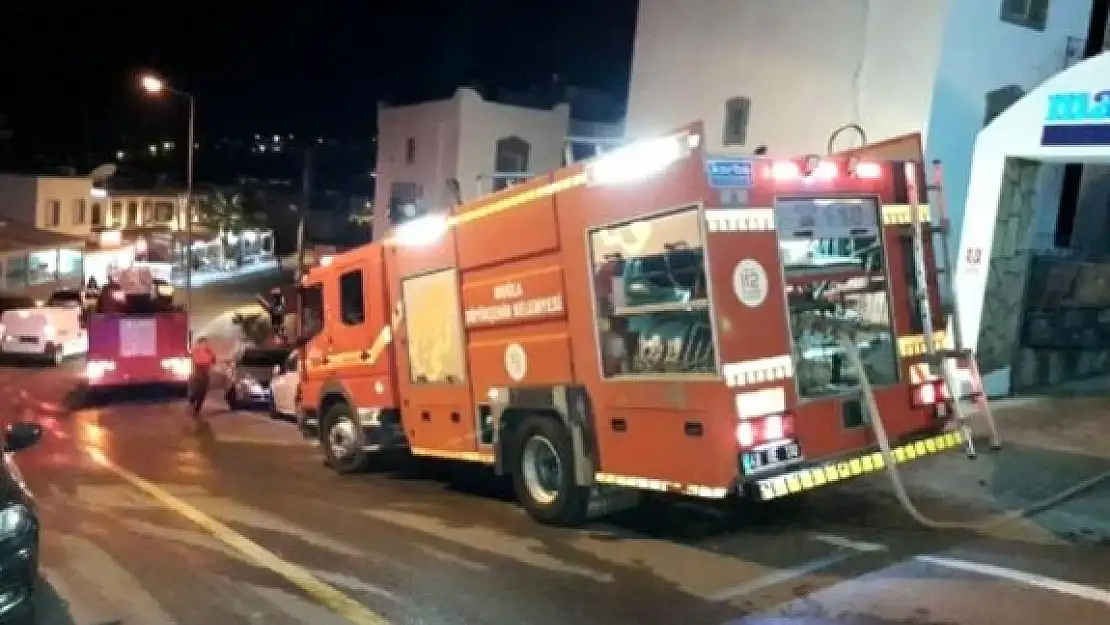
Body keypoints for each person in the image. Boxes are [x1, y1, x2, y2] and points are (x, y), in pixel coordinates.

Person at [188, 336, 217, 420]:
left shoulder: (209, 352)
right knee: (196, 391)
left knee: (203, 392)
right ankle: (192, 402)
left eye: (206, 343)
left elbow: (213, 361)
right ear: (199, 343)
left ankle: (197, 410)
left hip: (205, 374)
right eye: (204, 343)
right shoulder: (195, 350)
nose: (206, 344)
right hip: (197, 373)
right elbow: (194, 359)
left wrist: (211, 354)